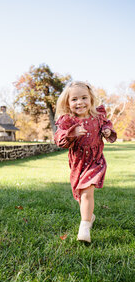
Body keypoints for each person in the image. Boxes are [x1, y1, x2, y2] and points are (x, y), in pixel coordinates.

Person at [54, 81, 117, 243]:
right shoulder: (68, 121)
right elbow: (59, 140)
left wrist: (107, 131)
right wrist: (71, 133)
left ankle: (84, 227)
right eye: (74, 99)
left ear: (91, 99)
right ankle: (89, 215)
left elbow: (108, 128)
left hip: (95, 161)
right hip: (78, 163)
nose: (80, 102)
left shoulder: (98, 117)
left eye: (84, 98)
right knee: (81, 195)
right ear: (67, 103)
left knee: (87, 191)